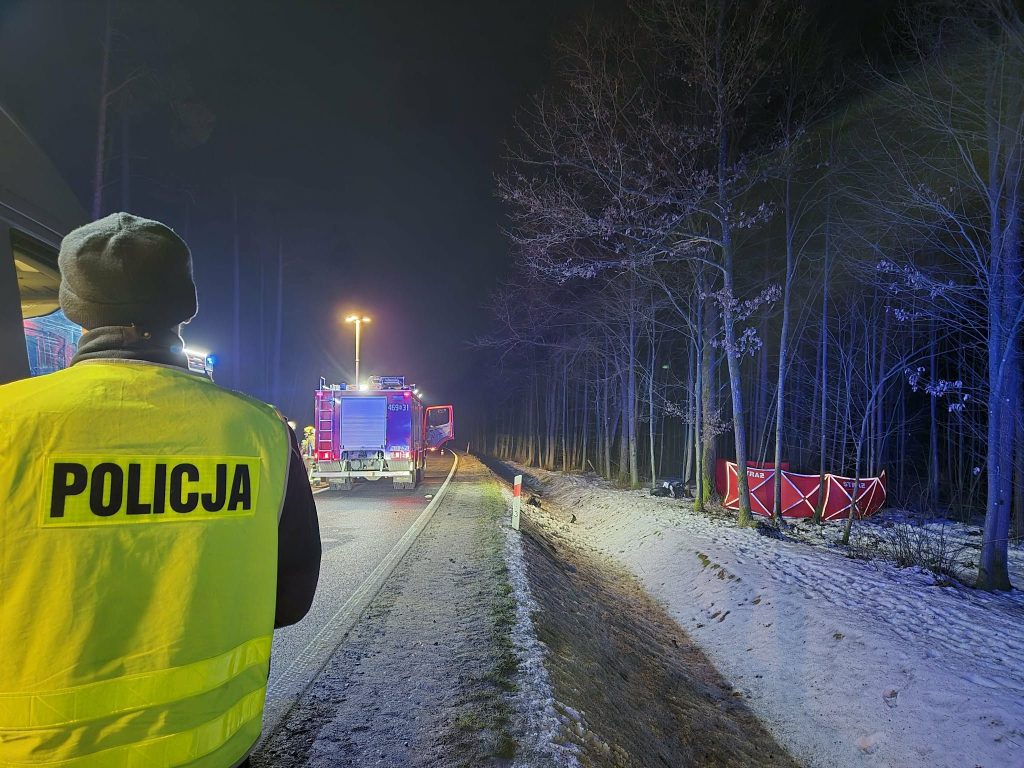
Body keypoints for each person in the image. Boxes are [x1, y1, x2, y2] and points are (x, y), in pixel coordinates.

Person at [0, 213, 321, 767]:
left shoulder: (11, 423)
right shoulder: (262, 431)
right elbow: (291, 599)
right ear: (186, 306)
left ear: (72, 306)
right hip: (213, 746)